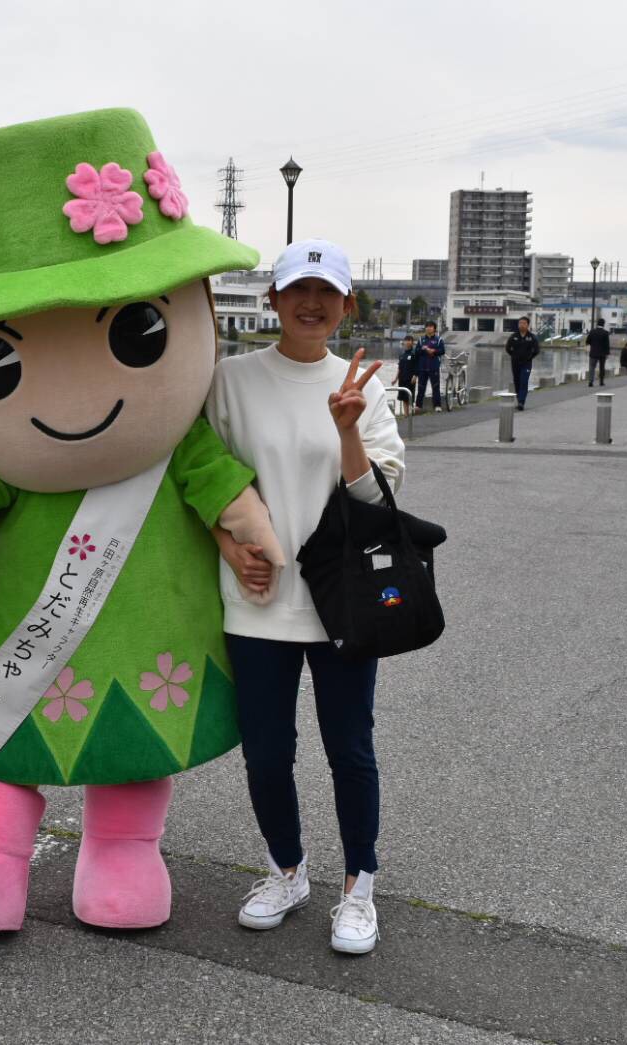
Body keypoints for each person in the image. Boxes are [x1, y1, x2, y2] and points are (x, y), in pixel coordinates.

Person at [206, 239, 405, 956]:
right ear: (273, 300)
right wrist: (228, 545)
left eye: (327, 292)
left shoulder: (363, 383)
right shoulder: (228, 380)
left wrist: (348, 428)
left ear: (346, 304)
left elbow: (376, 497)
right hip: (255, 599)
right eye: (297, 290)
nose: (311, 304)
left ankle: (359, 885)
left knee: (349, 748)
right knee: (265, 751)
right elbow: (200, 480)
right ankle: (285, 869)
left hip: (342, 604)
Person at [504, 316, 540, 410]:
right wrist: (514, 356)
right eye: (520, 323)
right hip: (515, 363)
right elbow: (508, 348)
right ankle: (519, 400)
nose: (522, 325)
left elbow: (536, 350)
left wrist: (529, 357)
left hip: (526, 364)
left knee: (524, 382)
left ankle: (521, 402)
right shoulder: (514, 336)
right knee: (517, 382)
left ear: (527, 325)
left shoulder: (532, 337)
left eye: (524, 323)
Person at [416, 321, 445, 412]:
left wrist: (433, 351)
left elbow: (442, 351)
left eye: (431, 326)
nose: (428, 328)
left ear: (434, 328)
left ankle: (437, 406)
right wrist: (423, 349)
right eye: (427, 326)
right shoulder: (421, 340)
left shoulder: (439, 339)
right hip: (423, 367)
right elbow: (416, 351)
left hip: (434, 367)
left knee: (435, 386)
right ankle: (418, 406)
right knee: (421, 387)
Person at [395, 335, 418, 413]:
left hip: (410, 378)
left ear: (412, 342)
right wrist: (396, 378)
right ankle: (406, 415)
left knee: (410, 397)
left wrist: (415, 375)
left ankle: (412, 414)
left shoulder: (414, 353)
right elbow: (399, 368)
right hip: (402, 378)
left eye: (409, 340)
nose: (407, 342)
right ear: (404, 342)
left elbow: (417, 366)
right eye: (406, 340)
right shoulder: (402, 355)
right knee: (403, 397)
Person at [586, 319, 611, 386]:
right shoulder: (605, 333)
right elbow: (607, 344)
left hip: (593, 352)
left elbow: (587, 341)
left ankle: (590, 382)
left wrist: (593, 344)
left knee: (592, 367)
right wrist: (607, 353)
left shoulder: (592, 331)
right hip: (602, 353)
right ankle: (601, 382)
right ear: (603, 324)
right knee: (602, 367)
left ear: (597, 324)